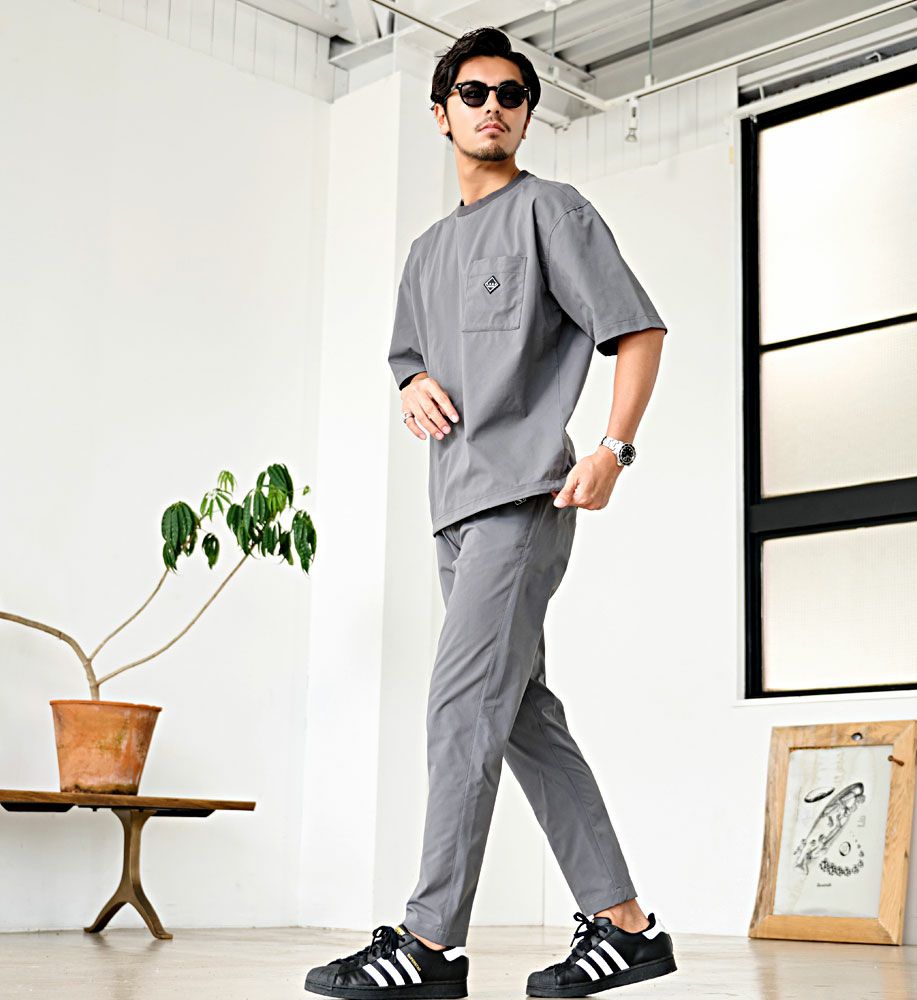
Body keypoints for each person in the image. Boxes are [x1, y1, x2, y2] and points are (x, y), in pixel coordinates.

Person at [305, 26, 675, 1000]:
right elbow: (406, 357)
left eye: (512, 93)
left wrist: (613, 448)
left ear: (526, 112)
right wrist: (411, 383)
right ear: (441, 114)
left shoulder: (553, 211)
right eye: (473, 93)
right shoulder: (427, 252)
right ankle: (625, 927)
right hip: (454, 513)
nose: (494, 107)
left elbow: (637, 331)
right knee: (520, 718)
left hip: (521, 500)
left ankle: (429, 945)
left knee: (461, 706)